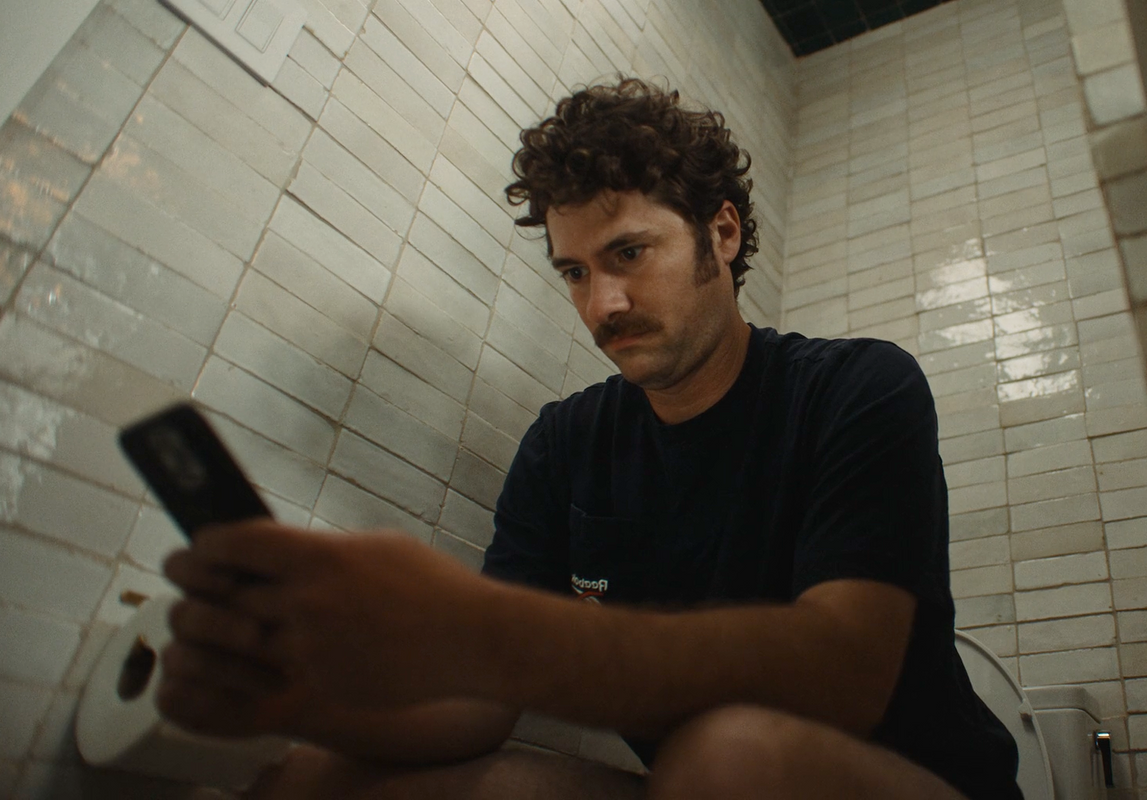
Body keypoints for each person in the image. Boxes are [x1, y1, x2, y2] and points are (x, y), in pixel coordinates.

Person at [159, 77, 1022, 800]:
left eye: (629, 254)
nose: (601, 305)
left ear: (721, 233)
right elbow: (479, 711)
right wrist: (304, 700)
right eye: (575, 272)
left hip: (906, 779)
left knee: (730, 757)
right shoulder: (564, 445)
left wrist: (480, 630)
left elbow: (843, 674)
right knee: (318, 779)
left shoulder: (859, 388)